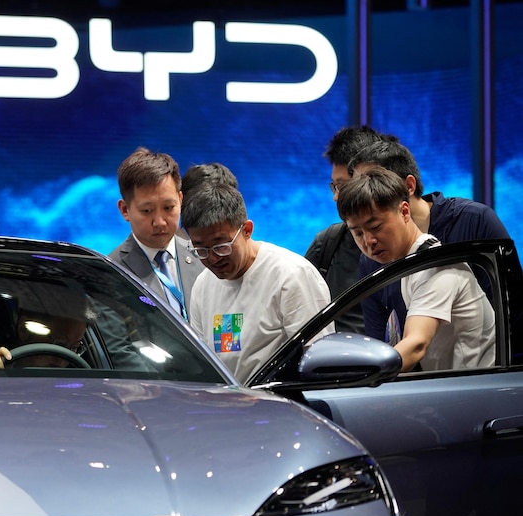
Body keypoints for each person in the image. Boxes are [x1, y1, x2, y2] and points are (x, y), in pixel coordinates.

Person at [348, 139, 511, 342]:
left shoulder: (475, 220)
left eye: (376, 182)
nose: (364, 193)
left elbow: (513, 314)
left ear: (408, 187)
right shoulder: (371, 257)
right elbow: (380, 344)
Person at [337, 166, 495, 371]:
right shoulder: (411, 263)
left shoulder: (436, 266)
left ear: (404, 211)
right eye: (357, 233)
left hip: (477, 395)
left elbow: (415, 345)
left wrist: (358, 381)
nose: (369, 241)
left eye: (375, 227)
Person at [181, 176, 334, 384]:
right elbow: (207, 362)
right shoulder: (203, 285)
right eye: (201, 249)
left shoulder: (291, 275)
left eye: (221, 245)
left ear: (247, 230)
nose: (213, 258)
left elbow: (319, 360)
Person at [304, 125, 396, 333]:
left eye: (343, 186)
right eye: (334, 187)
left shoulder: (419, 244)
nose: (336, 197)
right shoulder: (328, 243)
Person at [109, 147, 203, 320]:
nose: (159, 221)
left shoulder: (203, 255)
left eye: (168, 208)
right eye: (147, 211)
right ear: (125, 210)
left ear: (181, 200)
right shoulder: (112, 271)